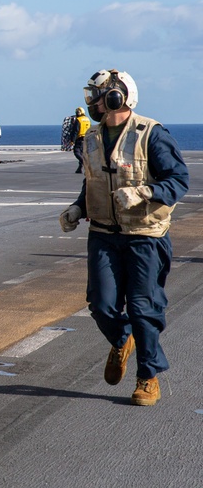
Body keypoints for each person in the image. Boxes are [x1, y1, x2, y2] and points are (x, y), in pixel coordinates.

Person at [58, 69, 188, 406]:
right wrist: (77, 208)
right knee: (101, 305)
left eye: (97, 95)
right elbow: (93, 182)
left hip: (145, 235)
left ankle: (148, 376)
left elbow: (178, 181)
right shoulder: (90, 139)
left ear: (117, 96)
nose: (91, 102)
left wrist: (145, 192)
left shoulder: (151, 134)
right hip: (103, 233)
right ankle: (122, 338)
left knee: (144, 307)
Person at [72, 106, 91, 174]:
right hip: (86, 138)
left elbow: (75, 131)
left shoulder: (79, 120)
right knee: (82, 153)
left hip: (80, 138)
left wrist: (72, 140)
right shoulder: (87, 119)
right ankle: (79, 169)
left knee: (76, 152)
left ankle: (84, 163)